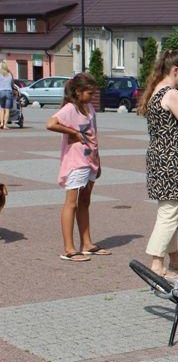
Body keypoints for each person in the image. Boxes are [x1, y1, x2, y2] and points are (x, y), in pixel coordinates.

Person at [137, 49, 178, 281]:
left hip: (160, 157)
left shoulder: (156, 90)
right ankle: (157, 264)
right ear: (176, 70)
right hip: (170, 160)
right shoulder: (172, 94)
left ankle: (175, 259)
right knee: (169, 213)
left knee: (172, 209)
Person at [45, 73, 110, 262]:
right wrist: (72, 132)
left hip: (90, 160)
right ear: (78, 92)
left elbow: (94, 134)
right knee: (71, 203)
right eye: (90, 93)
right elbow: (50, 124)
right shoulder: (70, 108)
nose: (93, 96)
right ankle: (69, 248)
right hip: (76, 161)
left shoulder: (88, 107)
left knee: (85, 202)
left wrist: (98, 161)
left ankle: (87, 244)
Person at [0, 60, 13, 130]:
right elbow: (12, 84)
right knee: (7, 110)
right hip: (9, 92)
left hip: (1, 92)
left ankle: (1, 123)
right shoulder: (10, 74)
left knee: (1, 109)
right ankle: (5, 125)